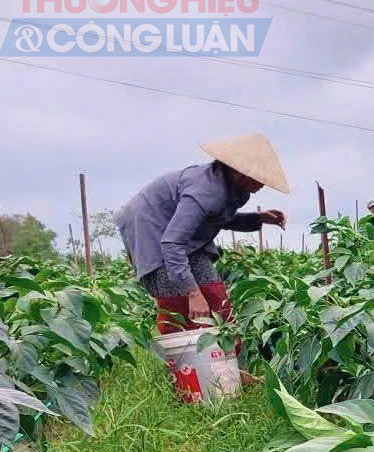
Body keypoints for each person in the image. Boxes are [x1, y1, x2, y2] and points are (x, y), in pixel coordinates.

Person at [116, 132, 289, 333]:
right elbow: (171, 243)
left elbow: (213, 218)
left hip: (182, 237)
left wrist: (258, 218)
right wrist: (193, 293)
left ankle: (226, 362)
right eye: (259, 178)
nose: (262, 184)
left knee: (216, 300)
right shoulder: (206, 190)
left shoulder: (231, 189)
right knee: (179, 307)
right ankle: (187, 363)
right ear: (239, 172)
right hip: (150, 229)